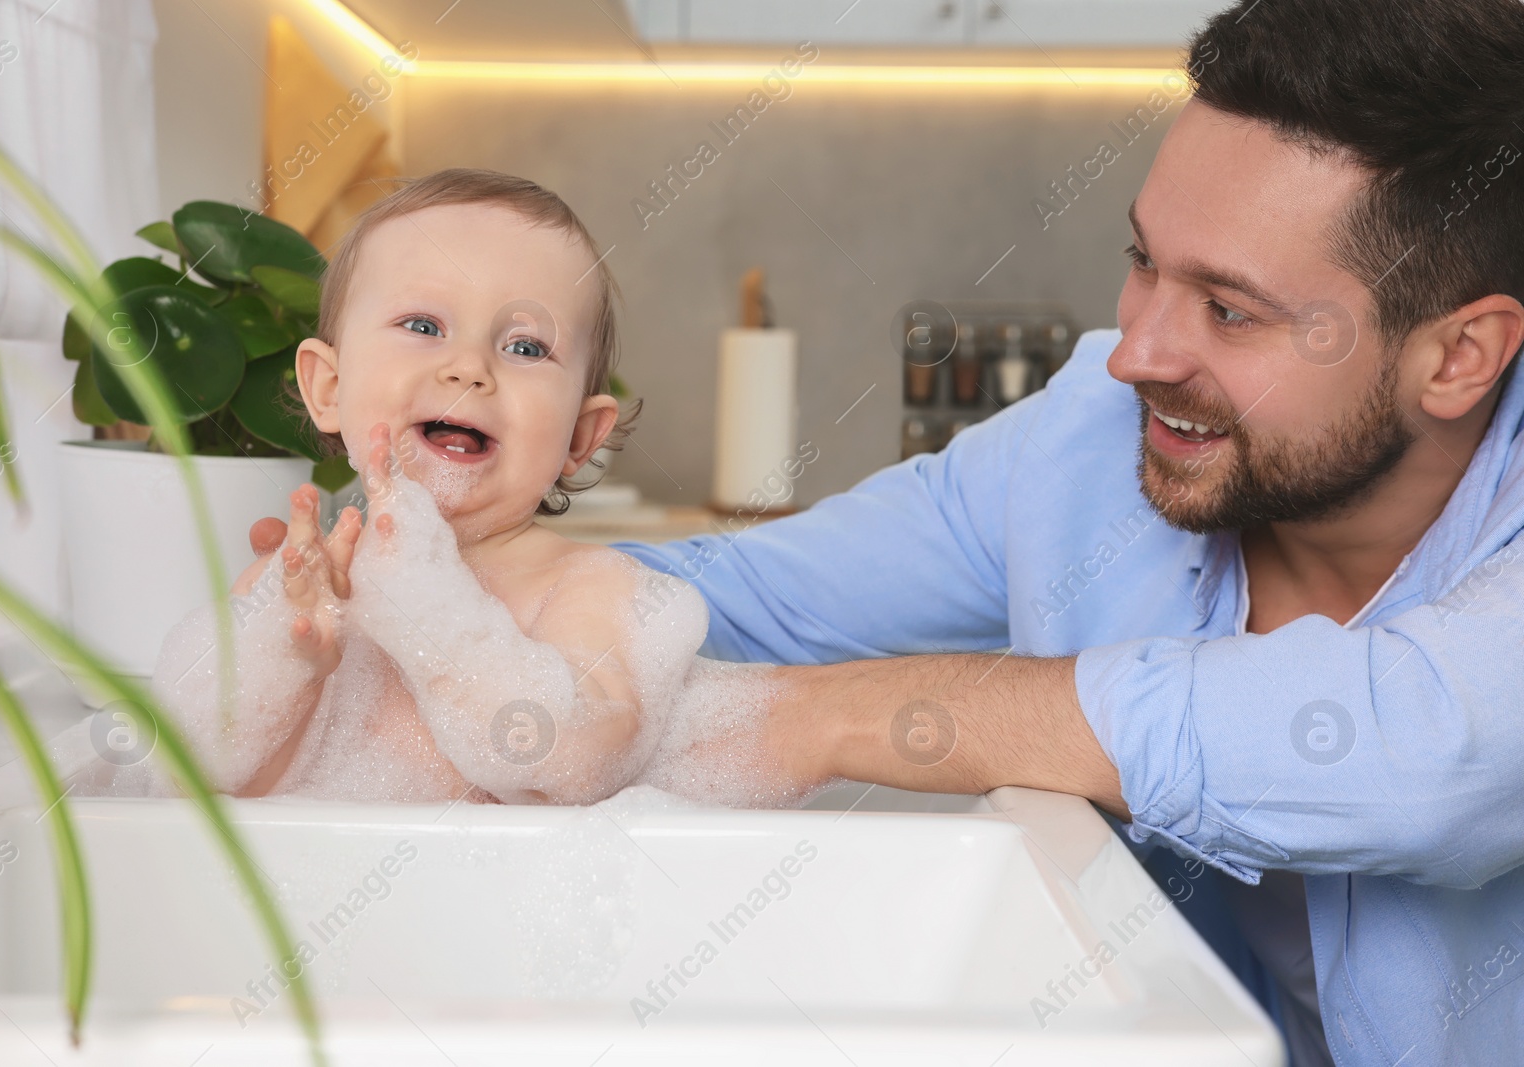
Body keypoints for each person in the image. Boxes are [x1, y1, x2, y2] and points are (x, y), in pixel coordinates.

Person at [609, 1, 1524, 1063]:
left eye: (1229, 310)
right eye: (1144, 261)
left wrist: (812, 720)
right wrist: (471, 587)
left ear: (1459, 357)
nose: (1134, 351)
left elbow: (1422, 753)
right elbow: (740, 598)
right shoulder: (1087, 437)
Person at [154, 169, 794, 808]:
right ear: (328, 388)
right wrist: (292, 668)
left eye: (525, 346)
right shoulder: (293, 592)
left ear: (579, 434)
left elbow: (578, 762)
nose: (469, 367)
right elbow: (201, 792)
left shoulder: (590, 589)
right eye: (424, 327)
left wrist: (435, 617)